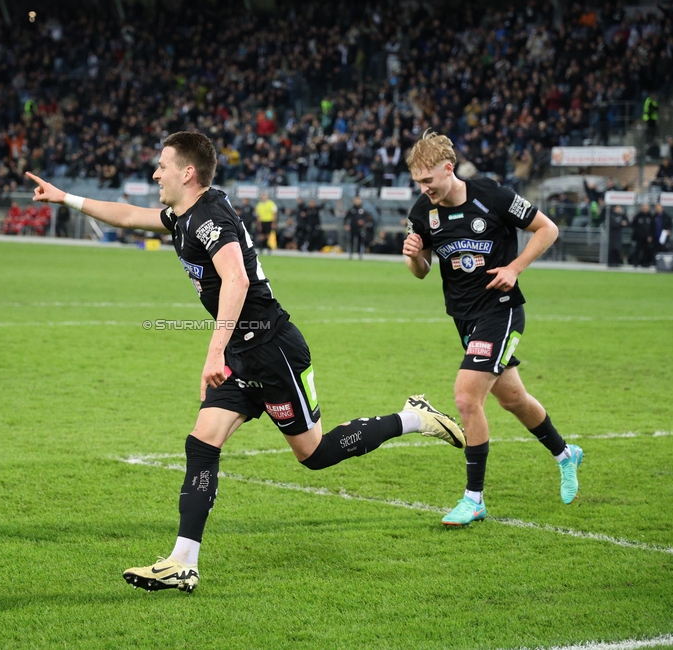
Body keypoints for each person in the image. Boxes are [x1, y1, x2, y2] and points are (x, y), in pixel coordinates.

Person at [26, 132, 466, 593]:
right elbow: (132, 216)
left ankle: (412, 418)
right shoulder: (185, 215)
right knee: (202, 442)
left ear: (187, 173)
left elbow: (235, 279)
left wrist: (213, 351)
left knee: (313, 455)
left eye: (162, 165)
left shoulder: (210, 217)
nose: (156, 173)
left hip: (273, 350)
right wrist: (66, 198)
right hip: (241, 353)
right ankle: (183, 561)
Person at [402, 131, 583, 527]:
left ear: (448, 169)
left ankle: (474, 499)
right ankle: (566, 454)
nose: (423, 188)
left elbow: (547, 229)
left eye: (428, 180)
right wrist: (414, 258)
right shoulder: (424, 211)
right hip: (465, 319)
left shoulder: (493, 196)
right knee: (513, 399)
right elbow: (422, 272)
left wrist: (515, 268)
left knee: (466, 399)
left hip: (500, 312)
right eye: (418, 182)